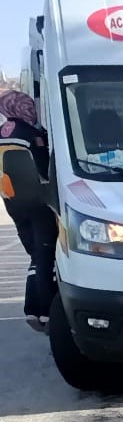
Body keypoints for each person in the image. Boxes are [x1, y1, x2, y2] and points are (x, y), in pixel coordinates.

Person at [0, 91, 57, 332]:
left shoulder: (3, 132)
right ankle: (45, 312)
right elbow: (47, 167)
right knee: (45, 255)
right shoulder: (33, 135)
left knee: (35, 254)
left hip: (12, 203)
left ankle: (32, 309)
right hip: (37, 202)